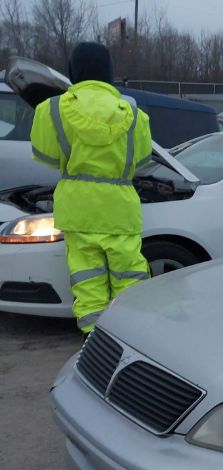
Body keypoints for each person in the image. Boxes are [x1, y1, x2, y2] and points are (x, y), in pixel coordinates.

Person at [30, 42, 153, 335]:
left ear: (74, 70)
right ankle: (132, 340)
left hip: (78, 210)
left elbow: (45, 155)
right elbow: (144, 161)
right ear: (109, 71)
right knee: (130, 279)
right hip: (121, 210)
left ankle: (94, 344)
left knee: (87, 283)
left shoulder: (52, 109)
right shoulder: (135, 113)